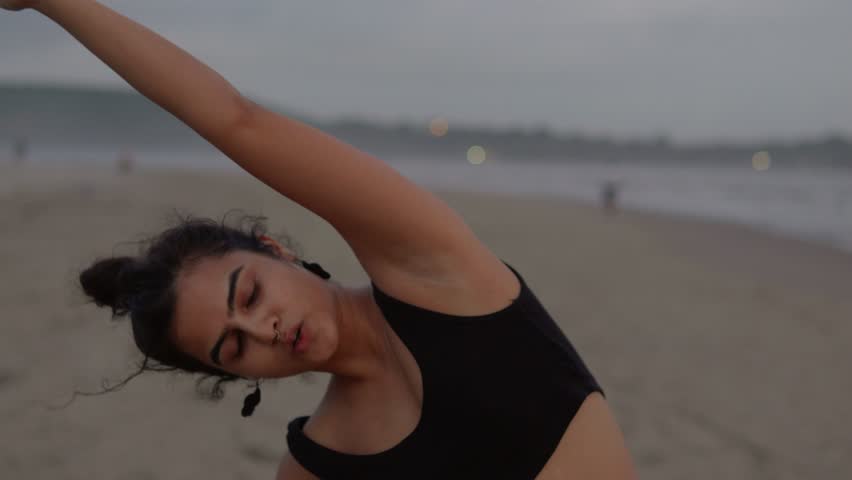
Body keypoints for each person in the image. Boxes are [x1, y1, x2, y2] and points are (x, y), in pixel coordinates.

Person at [2, 1, 637, 478]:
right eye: (233, 347)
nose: (265, 331)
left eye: (249, 296)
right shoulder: (314, 467)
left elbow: (236, 122)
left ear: (275, 251)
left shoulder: (435, 272)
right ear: (233, 376)